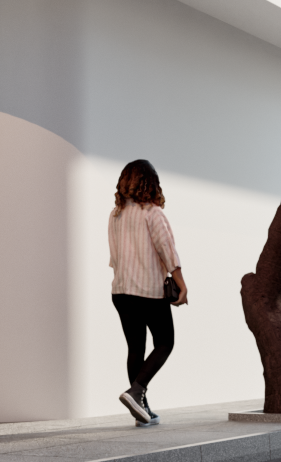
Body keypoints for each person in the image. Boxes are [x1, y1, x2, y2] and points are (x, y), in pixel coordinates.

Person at [109, 159, 187, 425]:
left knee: (135, 349)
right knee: (165, 342)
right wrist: (181, 283)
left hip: (120, 291)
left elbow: (115, 256)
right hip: (147, 290)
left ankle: (139, 406)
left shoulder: (115, 214)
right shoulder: (152, 213)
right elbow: (167, 251)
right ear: (151, 183)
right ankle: (136, 392)